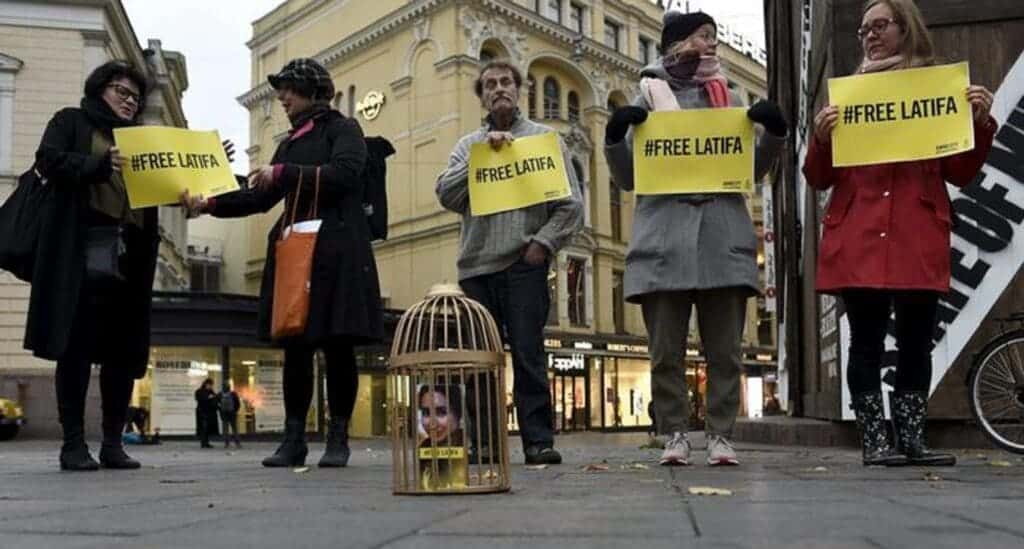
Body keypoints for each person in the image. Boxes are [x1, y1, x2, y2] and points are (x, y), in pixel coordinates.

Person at [803, 0, 996, 467]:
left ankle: (911, 439)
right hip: (860, 232)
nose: (869, 35)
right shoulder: (846, 97)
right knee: (866, 341)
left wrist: (979, 123)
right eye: (864, 29)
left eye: (880, 25)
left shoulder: (938, 89)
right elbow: (819, 177)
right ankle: (874, 441)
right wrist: (821, 139)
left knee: (915, 341)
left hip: (916, 230)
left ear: (906, 28)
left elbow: (960, 171)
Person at [604, 11, 788, 467]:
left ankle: (721, 435)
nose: (711, 44)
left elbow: (748, 172)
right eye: (703, 36)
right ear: (676, 44)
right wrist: (615, 137)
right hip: (661, 246)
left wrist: (772, 135)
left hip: (722, 242)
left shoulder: (729, 99)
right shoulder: (646, 98)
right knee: (665, 352)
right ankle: (674, 433)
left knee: (725, 351)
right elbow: (629, 179)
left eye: (714, 37)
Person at [181, 58, 383, 468]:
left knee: (338, 348)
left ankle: (338, 437)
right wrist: (209, 204)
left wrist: (284, 173)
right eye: (281, 90)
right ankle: (294, 440)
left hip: (336, 251)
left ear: (313, 90)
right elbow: (259, 196)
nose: (283, 98)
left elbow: (346, 174)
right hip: (296, 254)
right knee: (296, 348)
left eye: (289, 89)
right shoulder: (289, 142)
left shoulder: (344, 129)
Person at [436, 59, 584, 466]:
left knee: (528, 355)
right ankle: (485, 444)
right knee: (479, 362)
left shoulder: (545, 140)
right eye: (490, 84)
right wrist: (483, 155)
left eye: (506, 82)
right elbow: (446, 195)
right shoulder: (468, 146)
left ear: (519, 90)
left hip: (524, 265)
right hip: (476, 270)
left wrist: (542, 245)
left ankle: (537, 441)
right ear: (482, 97)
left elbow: (571, 207)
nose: (499, 88)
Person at [24, 60, 170, 471]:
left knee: (122, 353)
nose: (130, 102)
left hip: (131, 258)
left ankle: (112, 443)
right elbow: (48, 160)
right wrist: (98, 165)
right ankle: (73, 444)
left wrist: (203, 175)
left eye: (136, 97)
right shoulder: (71, 122)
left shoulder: (141, 141)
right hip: (81, 252)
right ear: (99, 89)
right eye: (122, 92)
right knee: (76, 348)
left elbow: (165, 188)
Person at [417, 384, 468, 491]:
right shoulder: (425, 446)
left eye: (441, 413)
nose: (433, 423)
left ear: (458, 415)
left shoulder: (466, 445)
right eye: (426, 413)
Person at [195, 379, 218, 449]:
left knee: (207, 428)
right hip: (202, 412)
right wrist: (208, 397)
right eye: (210, 385)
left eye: (211, 385)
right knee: (203, 428)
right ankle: (203, 443)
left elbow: (215, 398)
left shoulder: (211, 391)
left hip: (209, 413)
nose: (211, 386)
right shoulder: (199, 391)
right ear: (206, 384)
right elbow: (198, 399)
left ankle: (206, 442)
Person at [219, 382, 242, 448]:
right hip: (232, 413)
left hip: (224, 413)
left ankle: (226, 443)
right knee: (234, 428)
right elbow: (238, 403)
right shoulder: (233, 394)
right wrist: (235, 410)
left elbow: (215, 402)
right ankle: (237, 443)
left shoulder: (220, 394)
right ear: (229, 387)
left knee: (225, 429)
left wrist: (220, 409)